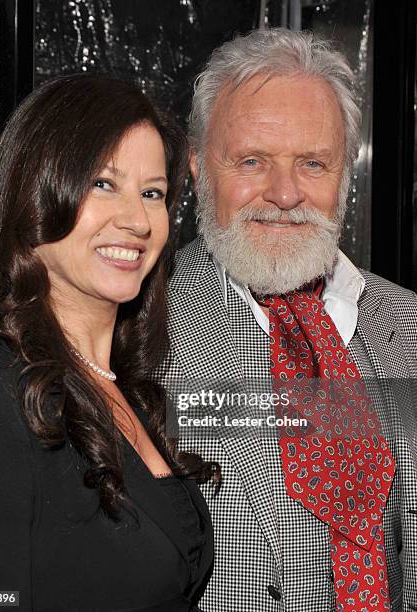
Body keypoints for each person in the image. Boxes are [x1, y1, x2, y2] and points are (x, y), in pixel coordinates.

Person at [155, 28, 417, 611]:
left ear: (345, 174)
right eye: (252, 160)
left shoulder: (408, 323)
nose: (284, 193)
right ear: (198, 165)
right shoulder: (139, 332)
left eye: (313, 163)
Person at [0, 74, 216, 612]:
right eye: (102, 184)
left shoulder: (132, 386)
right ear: (32, 191)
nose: (136, 220)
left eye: (152, 193)